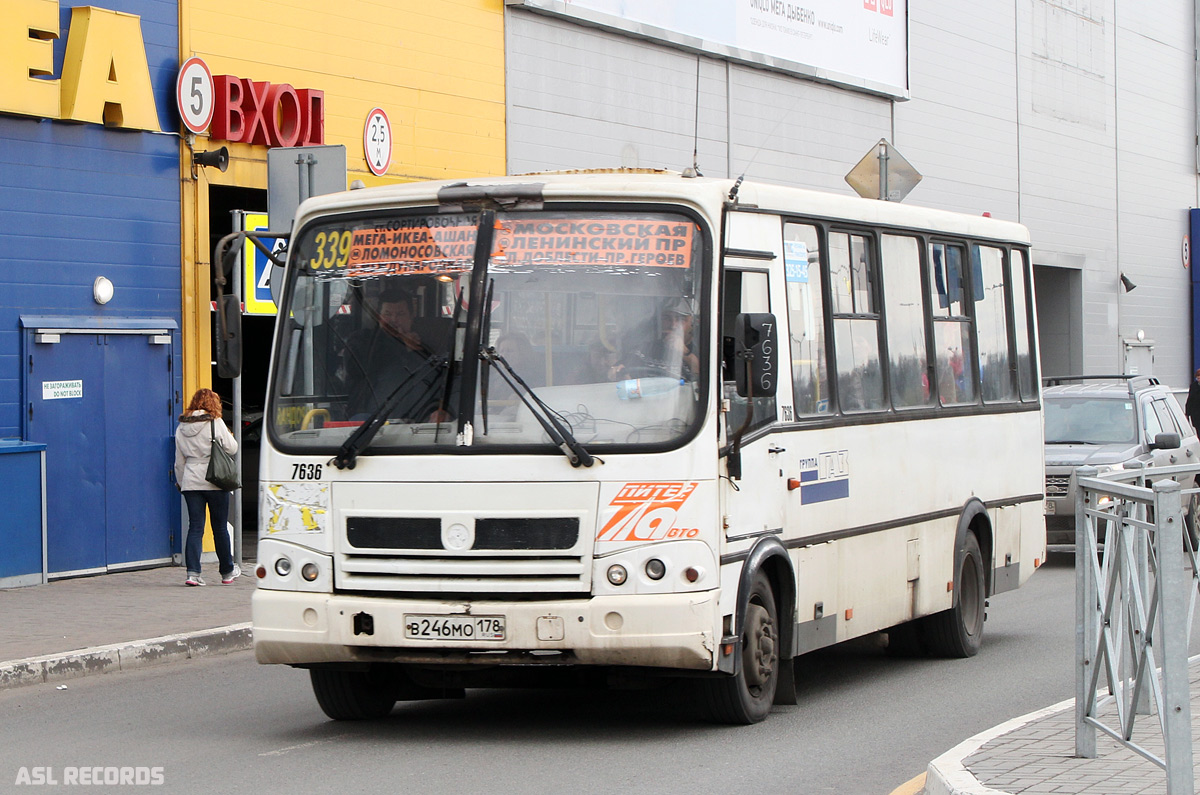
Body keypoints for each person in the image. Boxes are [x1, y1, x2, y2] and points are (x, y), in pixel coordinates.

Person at [343, 287, 447, 421]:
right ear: (379, 317)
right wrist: (401, 345)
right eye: (387, 314)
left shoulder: (428, 344)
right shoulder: (361, 340)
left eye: (400, 314)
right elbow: (357, 368)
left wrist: (442, 409)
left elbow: (442, 380)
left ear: (411, 316)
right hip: (370, 421)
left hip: (420, 422)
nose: (394, 319)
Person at [174, 388, 239, 587]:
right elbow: (232, 447)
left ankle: (193, 573)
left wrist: (181, 481)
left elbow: (179, 461)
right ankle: (227, 572)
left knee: (195, 527)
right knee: (219, 527)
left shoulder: (182, 427)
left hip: (191, 480)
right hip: (215, 479)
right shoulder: (215, 422)